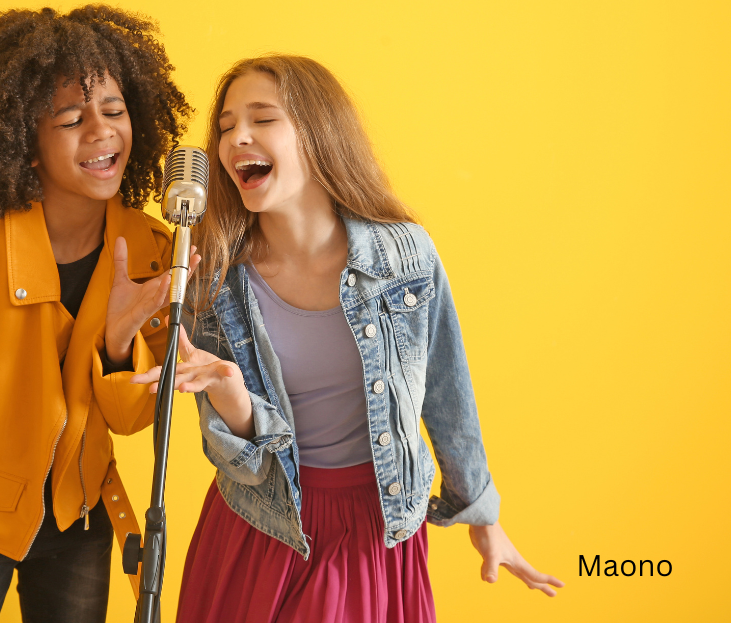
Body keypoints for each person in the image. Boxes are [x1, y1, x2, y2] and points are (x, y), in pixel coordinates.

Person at [133, 55, 563, 622]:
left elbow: (445, 389)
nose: (237, 138)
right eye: (226, 126)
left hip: (375, 532)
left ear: (319, 133)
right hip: (260, 528)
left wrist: (482, 516)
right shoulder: (210, 275)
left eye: (262, 119)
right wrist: (232, 396)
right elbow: (239, 457)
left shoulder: (404, 254)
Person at [0, 5, 197, 623]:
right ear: (25, 143)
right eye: (73, 119)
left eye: (114, 111)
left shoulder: (155, 250)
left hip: (78, 519)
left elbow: (133, 420)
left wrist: (116, 342)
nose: (103, 133)